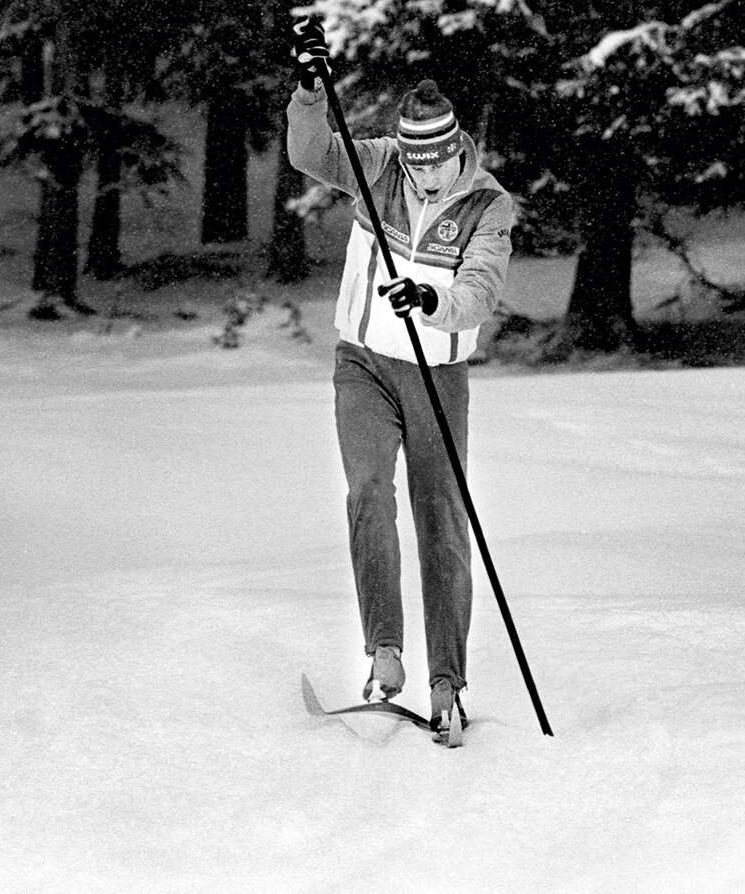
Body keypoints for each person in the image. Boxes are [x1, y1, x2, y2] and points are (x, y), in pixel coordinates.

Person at [288, 18, 514, 733]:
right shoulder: (378, 165)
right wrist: (307, 89)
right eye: (411, 164)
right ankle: (384, 650)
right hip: (362, 365)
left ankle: (448, 683)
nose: (419, 176)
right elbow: (311, 152)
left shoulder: (488, 205)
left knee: (441, 524)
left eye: (432, 164)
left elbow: (478, 290)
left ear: (455, 153)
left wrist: (430, 299)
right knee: (367, 492)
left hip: (436, 376)